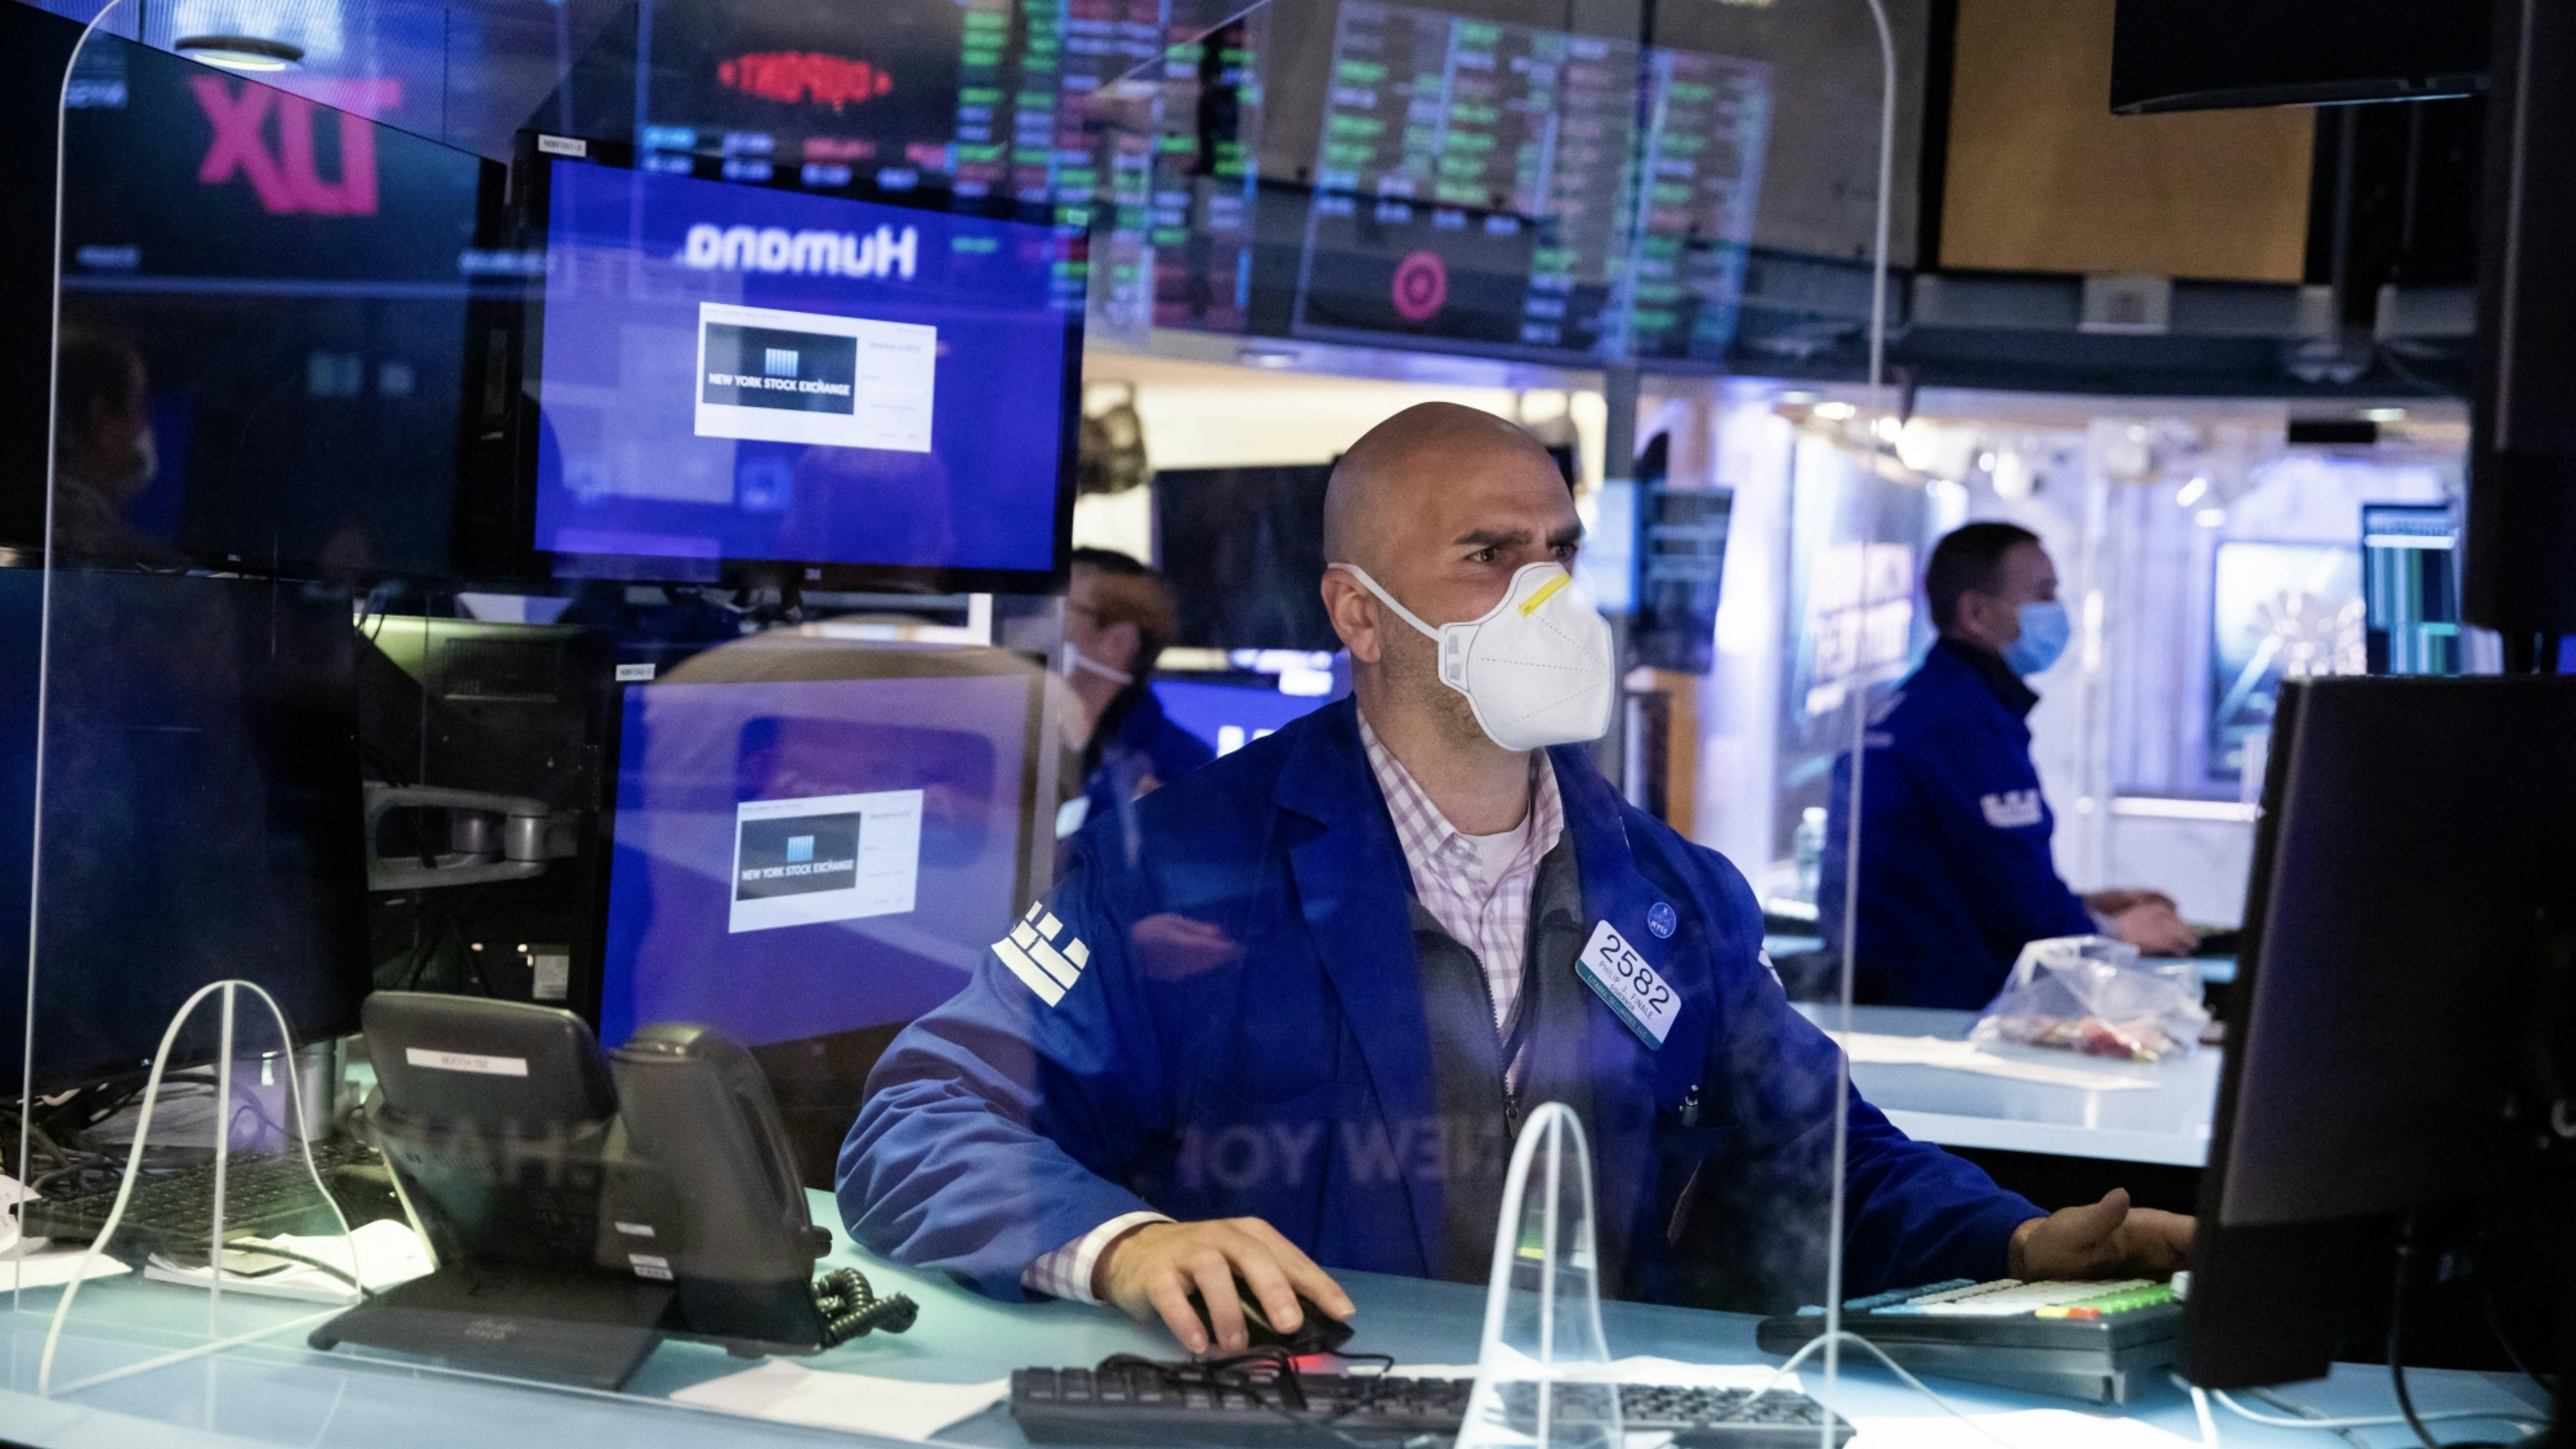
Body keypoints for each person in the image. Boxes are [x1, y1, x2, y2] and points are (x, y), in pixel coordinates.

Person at [840, 406, 2189, 1355]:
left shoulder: (1671, 892)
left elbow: (1822, 1165)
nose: (1548, 596)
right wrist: (1124, 1241)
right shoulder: (1175, 863)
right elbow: (917, 1118)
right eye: (1489, 556)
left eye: (1560, 552)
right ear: (1359, 612)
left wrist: (2016, 1243)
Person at [1820, 521, 2200, 1011]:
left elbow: (1966, 875)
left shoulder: (1928, 704)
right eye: (2043, 595)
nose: (2056, 611)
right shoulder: (1958, 723)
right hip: (1934, 1008)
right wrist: (2116, 932)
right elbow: (2015, 899)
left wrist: (2087, 905)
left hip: (1897, 999)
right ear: (1976, 613)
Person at [1055, 548, 1214, 843]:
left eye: (1061, 610)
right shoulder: (1026, 738)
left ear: (1118, 642)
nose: (1037, 625)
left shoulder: (1184, 773)